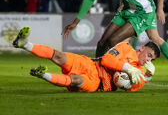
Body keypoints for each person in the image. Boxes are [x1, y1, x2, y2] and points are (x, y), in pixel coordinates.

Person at [13, 27, 158, 92]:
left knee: (76, 81)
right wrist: (127, 68)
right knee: (59, 56)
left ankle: (43, 74)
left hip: (99, 83)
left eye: (152, 60)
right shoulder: (126, 48)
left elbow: (131, 89)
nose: (148, 60)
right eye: (149, 55)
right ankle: (25, 44)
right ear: (142, 48)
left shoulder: (139, 71)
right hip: (90, 64)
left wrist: (147, 77)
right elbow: (106, 60)